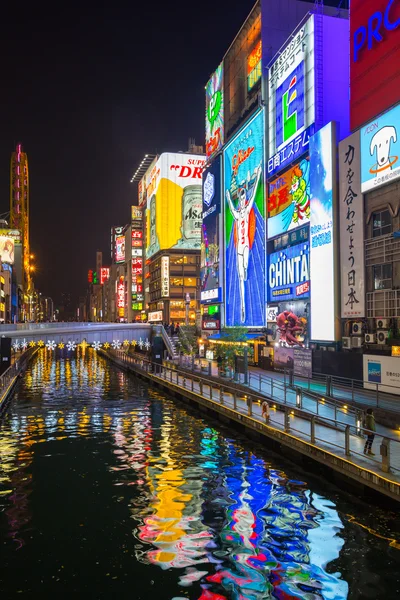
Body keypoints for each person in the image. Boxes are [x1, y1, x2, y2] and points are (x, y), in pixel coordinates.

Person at [226, 164, 262, 323]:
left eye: (242, 198)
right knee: (240, 277)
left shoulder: (247, 210)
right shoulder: (237, 214)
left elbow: (253, 194)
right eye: (240, 198)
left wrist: (259, 174)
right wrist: (227, 195)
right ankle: (242, 308)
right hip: (239, 248)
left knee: (245, 268)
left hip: (246, 244)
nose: (241, 200)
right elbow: (230, 206)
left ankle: (245, 270)